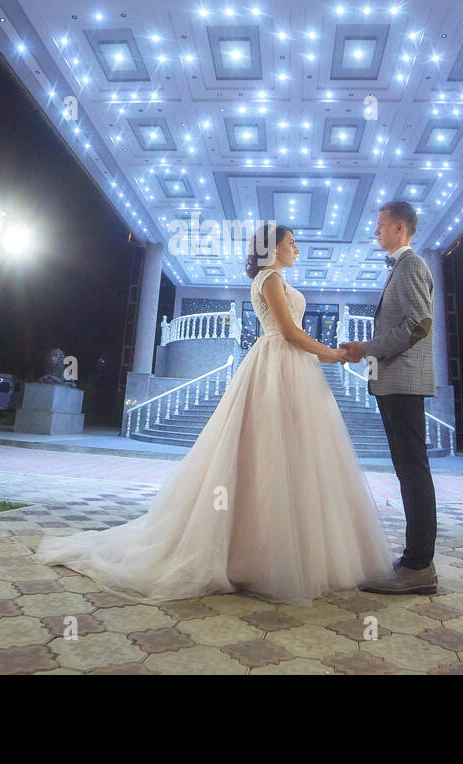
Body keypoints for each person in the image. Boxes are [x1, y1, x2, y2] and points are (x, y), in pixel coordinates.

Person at [36, 222, 395, 605]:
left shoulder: (275, 279)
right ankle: (253, 554)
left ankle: (287, 548)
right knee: (267, 449)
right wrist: (335, 354)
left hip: (292, 368)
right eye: (291, 243)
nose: (297, 249)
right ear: (272, 248)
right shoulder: (270, 280)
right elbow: (288, 333)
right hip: (278, 363)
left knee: (294, 452)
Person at [339, 201, 438, 595]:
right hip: (394, 383)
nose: (375, 231)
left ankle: (419, 567)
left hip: (404, 382)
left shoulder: (412, 265)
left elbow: (419, 325)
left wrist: (368, 349)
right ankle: (416, 560)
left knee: (413, 470)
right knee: (408, 469)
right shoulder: (398, 266)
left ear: (400, 227)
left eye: (380, 225)